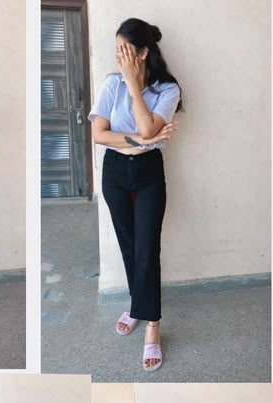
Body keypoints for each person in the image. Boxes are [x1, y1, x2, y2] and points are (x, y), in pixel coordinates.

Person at [89, 19, 182, 371]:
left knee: (147, 247)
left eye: (125, 51)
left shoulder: (167, 90)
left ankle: (152, 325)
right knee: (128, 243)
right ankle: (136, 304)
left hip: (147, 175)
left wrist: (133, 84)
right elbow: (99, 135)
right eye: (116, 51)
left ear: (142, 53)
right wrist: (142, 141)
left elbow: (146, 126)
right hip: (114, 172)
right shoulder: (110, 84)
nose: (118, 58)